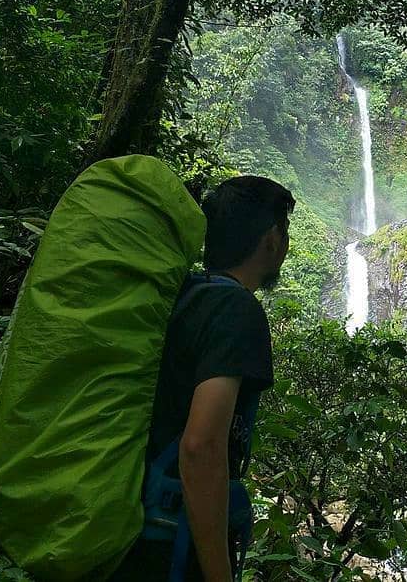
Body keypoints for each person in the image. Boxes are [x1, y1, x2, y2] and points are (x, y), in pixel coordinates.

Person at [111, 175, 295, 582]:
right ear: (271, 240)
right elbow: (200, 446)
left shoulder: (184, 294)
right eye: (285, 232)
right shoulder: (235, 310)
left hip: (128, 526)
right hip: (167, 544)